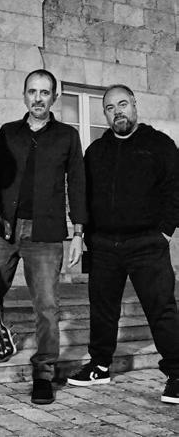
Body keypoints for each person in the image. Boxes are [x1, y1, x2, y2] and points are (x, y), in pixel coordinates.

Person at [0, 69, 87, 405]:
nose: (38, 98)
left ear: (54, 98)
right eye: (32, 91)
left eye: (44, 92)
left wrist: (79, 232)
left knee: (47, 305)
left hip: (45, 233)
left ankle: (44, 373)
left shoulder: (67, 136)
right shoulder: (8, 132)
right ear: (24, 95)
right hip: (4, 228)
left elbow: (77, 184)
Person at [67, 84, 179, 404]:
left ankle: (177, 373)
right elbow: (82, 194)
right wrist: (84, 234)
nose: (117, 112)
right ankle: (99, 366)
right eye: (110, 108)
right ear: (105, 114)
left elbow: (175, 188)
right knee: (102, 310)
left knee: (161, 309)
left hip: (147, 243)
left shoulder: (159, 144)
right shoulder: (96, 152)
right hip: (104, 246)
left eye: (122, 104)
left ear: (134, 105)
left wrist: (165, 231)